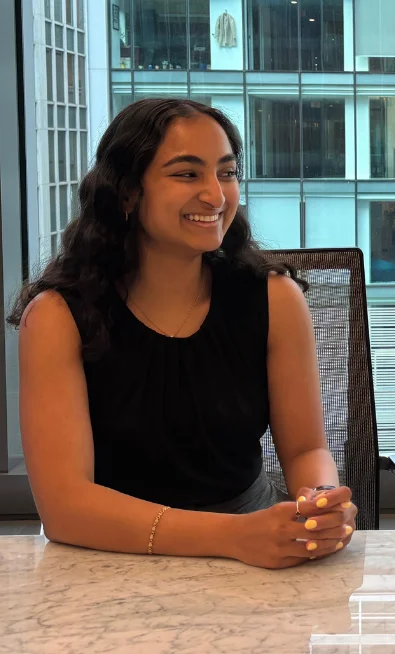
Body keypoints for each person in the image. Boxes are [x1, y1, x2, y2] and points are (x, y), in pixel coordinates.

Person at [9, 98, 356, 569]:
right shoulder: (57, 316)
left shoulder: (275, 298)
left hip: (256, 553)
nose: (216, 196)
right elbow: (66, 507)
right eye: (188, 174)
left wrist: (320, 500)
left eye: (227, 173)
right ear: (127, 192)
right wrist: (233, 536)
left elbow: (306, 449)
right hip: (112, 554)